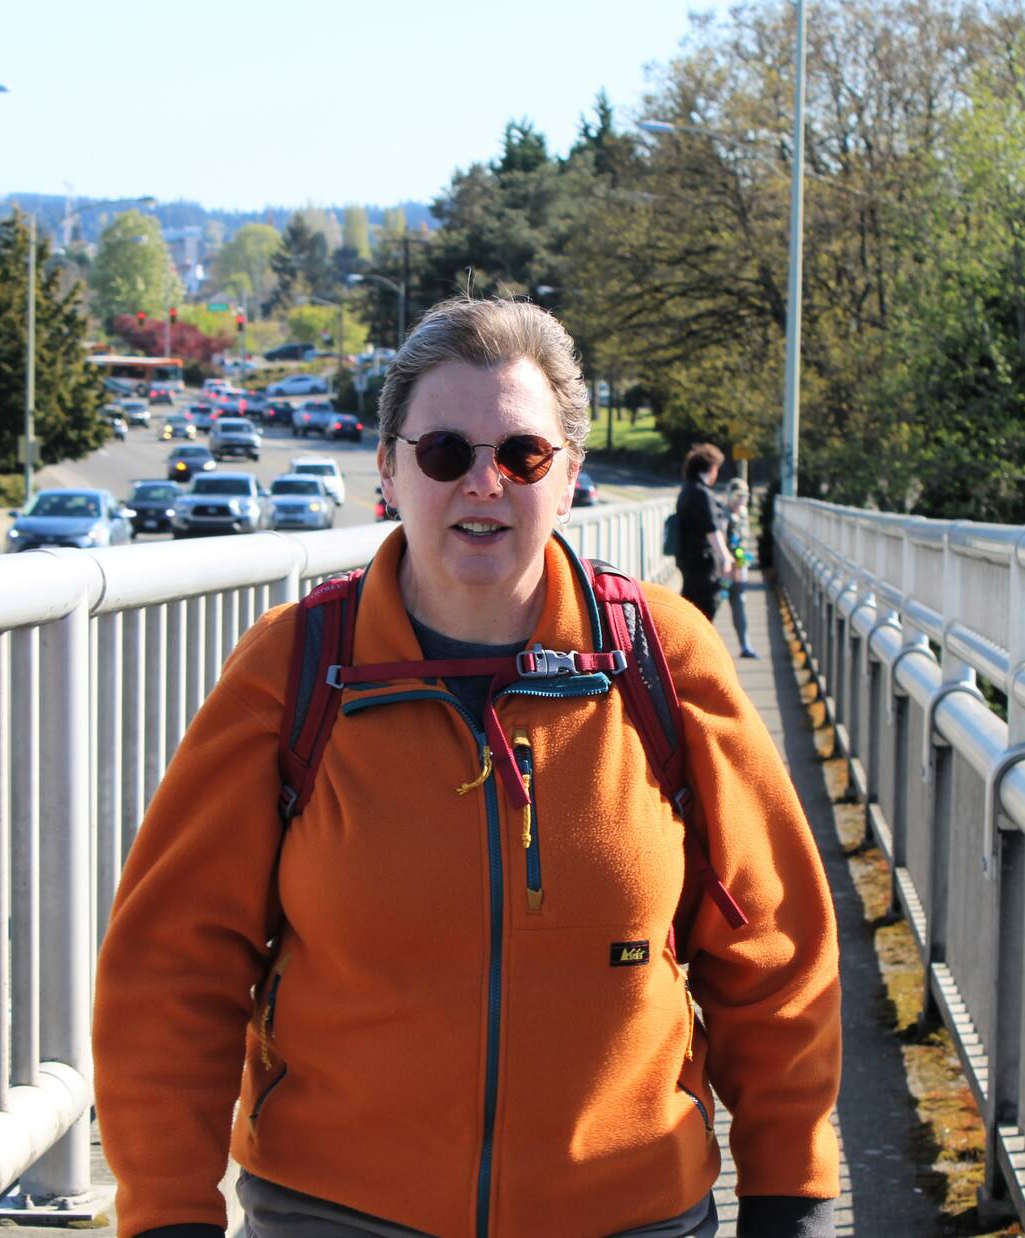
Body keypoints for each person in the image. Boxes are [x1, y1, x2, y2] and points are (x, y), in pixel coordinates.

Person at [94, 297, 841, 1238]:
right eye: (445, 452)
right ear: (389, 469)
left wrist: (792, 1195)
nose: (483, 484)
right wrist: (167, 1214)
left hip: (629, 1210)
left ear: (570, 476)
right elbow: (170, 970)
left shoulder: (662, 659)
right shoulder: (294, 669)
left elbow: (774, 956)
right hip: (338, 1213)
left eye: (522, 455)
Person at [676, 444, 734, 620]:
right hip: (703, 561)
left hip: (686, 558)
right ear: (712, 468)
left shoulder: (686, 490)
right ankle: (699, 646)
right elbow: (711, 529)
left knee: (689, 606)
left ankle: (686, 645)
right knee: (708, 604)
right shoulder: (703, 494)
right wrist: (724, 557)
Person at [723, 477, 758, 658]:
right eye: (737, 495)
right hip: (724, 569)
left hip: (739, 567)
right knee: (712, 605)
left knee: (740, 603)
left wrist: (743, 560)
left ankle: (745, 645)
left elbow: (744, 542)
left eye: (744, 496)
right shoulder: (724, 515)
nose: (741, 500)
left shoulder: (743, 514)